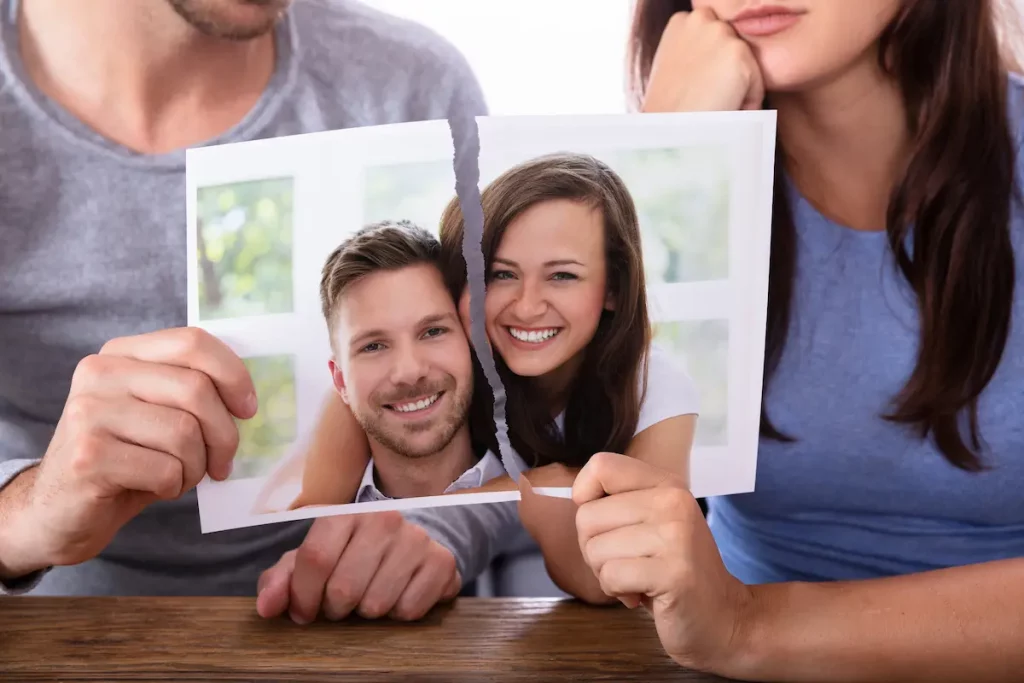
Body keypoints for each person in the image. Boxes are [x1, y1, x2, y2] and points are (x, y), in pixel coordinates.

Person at [0, 0, 510, 619]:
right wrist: (19, 515)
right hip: (51, 634)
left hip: (370, 632)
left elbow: (515, 410)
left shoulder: (411, 84)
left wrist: (442, 527)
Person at [568, 0, 1024, 679]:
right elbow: (586, 555)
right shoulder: (684, 159)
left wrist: (749, 626)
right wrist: (667, 153)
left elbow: (727, 625)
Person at [289, 152, 702, 603]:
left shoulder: (654, 386)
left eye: (562, 275)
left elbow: (636, 569)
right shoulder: (435, 361)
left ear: (614, 291)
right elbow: (314, 514)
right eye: (501, 274)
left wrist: (539, 486)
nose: (526, 307)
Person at [320, 220, 506, 501]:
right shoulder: (304, 523)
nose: (410, 371)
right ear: (340, 380)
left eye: (433, 331)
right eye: (373, 346)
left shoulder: (558, 499)